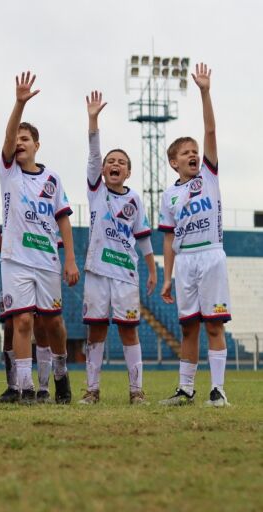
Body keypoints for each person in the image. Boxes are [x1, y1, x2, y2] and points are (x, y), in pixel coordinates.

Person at [0, 71, 80, 405]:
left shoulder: (52, 179)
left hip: (48, 260)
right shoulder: (8, 171)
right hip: (16, 259)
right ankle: (25, 387)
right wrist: (18, 103)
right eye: (16, 138)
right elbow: (6, 138)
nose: (19, 142)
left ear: (37, 145)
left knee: (53, 322)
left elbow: (64, 220)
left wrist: (70, 259)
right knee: (23, 320)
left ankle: (60, 376)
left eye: (25, 138)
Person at [158, 63, 230, 407]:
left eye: (194, 151)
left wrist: (205, 92)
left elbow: (211, 131)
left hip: (211, 254)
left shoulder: (209, 177)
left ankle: (218, 390)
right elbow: (168, 239)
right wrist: (167, 276)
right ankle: (186, 389)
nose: (192, 155)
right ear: (173, 162)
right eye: (185, 152)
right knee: (189, 328)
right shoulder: (168, 196)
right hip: (184, 262)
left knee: (214, 326)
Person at [78, 92, 156, 405]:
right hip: (97, 271)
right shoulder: (96, 190)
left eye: (121, 162)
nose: (114, 164)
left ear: (128, 172)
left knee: (128, 332)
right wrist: (93, 120)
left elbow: (143, 237)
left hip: (125, 274)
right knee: (95, 332)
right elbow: (94, 154)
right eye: (111, 161)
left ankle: (136, 392)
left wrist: (151, 269)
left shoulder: (135, 199)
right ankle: (91, 390)